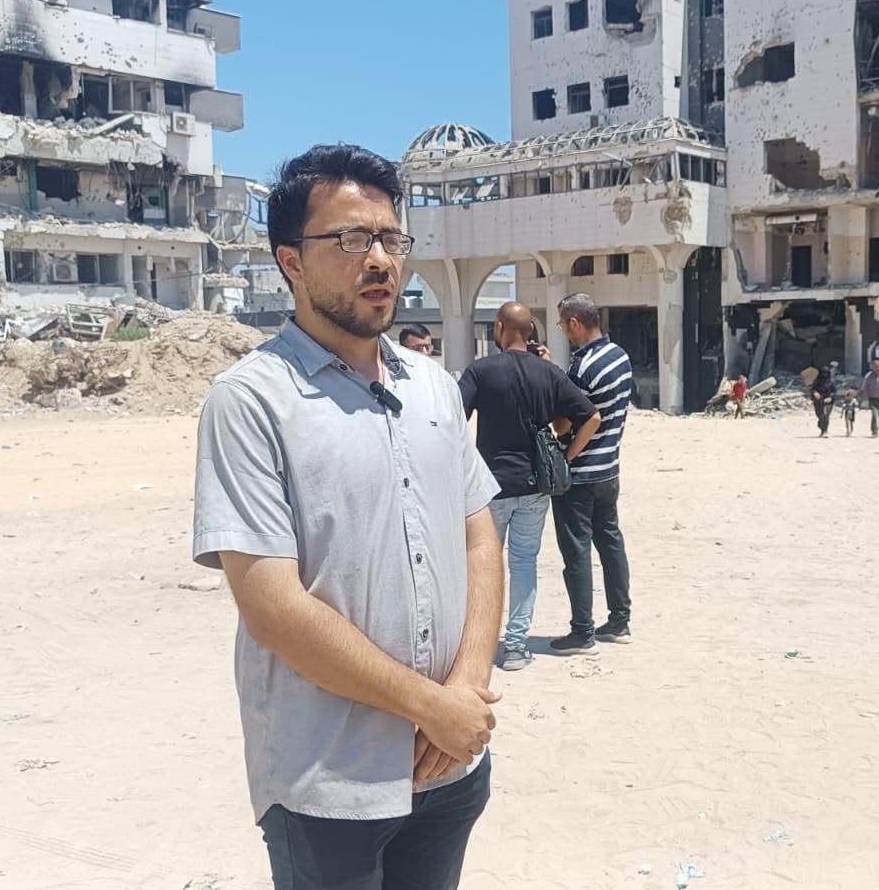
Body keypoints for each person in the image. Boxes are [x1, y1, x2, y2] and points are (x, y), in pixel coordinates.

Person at [192, 145, 504, 889]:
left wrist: (466, 685)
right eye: (352, 239)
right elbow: (272, 607)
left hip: (450, 767)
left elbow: (478, 537)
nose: (381, 260)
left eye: (391, 238)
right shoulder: (251, 402)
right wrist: (431, 705)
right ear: (291, 262)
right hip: (328, 781)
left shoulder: (433, 386)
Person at [459, 302, 602, 672]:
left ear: (500, 327)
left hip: (489, 486)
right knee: (524, 564)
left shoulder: (481, 370)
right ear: (531, 332)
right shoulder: (549, 372)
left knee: (482, 564)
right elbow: (591, 417)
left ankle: (477, 644)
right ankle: (516, 646)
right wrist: (567, 456)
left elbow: (452, 420)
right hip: (535, 485)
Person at [551, 293, 635, 652]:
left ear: (574, 323)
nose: (563, 331)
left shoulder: (582, 367)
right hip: (609, 468)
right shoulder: (619, 355)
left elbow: (565, 423)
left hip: (581, 472)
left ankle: (582, 631)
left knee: (577, 552)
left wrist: (567, 455)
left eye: (562, 324)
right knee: (611, 543)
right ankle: (619, 621)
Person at [811, 362, 838, 438]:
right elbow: (813, 389)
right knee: (820, 416)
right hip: (818, 401)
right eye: (823, 373)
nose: (824, 375)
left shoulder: (831, 382)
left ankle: (825, 431)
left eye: (826, 373)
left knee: (825, 415)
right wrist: (815, 393)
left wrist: (831, 397)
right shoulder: (817, 381)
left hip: (828, 401)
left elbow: (834, 391)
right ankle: (821, 428)